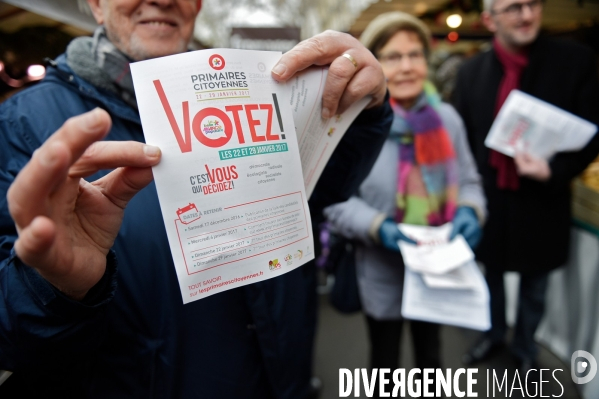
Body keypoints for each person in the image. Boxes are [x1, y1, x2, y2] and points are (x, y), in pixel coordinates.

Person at [0, 0, 392, 397]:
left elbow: (319, 193)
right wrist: (53, 287)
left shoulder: (248, 89)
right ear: (97, 5)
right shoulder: (22, 125)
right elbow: (9, 336)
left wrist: (363, 110)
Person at [323, 11, 486, 388]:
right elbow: (334, 201)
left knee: (431, 361)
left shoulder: (448, 119)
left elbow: (470, 182)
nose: (408, 66)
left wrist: (470, 211)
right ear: (375, 64)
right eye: (394, 57)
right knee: (386, 369)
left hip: (439, 270)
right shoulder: (352, 127)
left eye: (416, 55)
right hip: (383, 271)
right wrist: (379, 228)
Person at [452, 0, 599, 373]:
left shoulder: (575, 62)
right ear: (489, 19)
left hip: (543, 199)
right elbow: (461, 142)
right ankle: (494, 334)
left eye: (533, 3)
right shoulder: (470, 74)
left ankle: (525, 348)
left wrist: (553, 170)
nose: (527, 14)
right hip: (491, 199)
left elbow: (592, 135)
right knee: (492, 276)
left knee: (536, 285)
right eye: (514, 7)